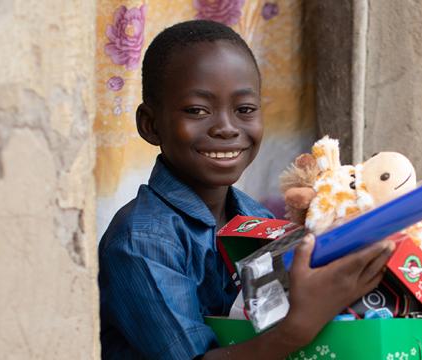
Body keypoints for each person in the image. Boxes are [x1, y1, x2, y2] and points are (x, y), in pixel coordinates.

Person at [98, 20, 395, 360]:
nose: (226, 128)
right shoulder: (143, 241)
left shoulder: (257, 219)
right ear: (150, 125)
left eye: (244, 110)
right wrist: (299, 327)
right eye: (198, 110)